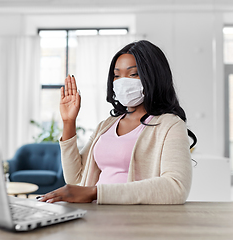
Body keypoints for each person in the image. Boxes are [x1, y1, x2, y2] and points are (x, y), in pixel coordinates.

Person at [38, 40, 197, 205]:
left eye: (133, 74)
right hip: (96, 218)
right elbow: (75, 178)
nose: (122, 81)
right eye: (117, 75)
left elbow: (176, 187)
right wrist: (68, 122)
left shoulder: (170, 125)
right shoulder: (106, 125)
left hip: (136, 222)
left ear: (153, 76)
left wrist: (96, 193)